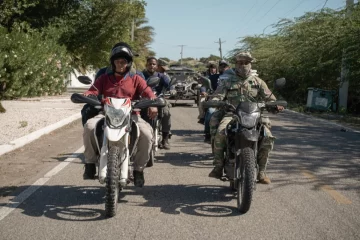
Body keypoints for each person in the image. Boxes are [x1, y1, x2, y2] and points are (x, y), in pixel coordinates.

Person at [82, 42, 157, 188]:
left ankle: (138, 170)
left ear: (128, 63)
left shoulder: (136, 79)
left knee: (147, 134)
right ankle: (90, 163)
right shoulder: (104, 78)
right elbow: (92, 90)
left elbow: (148, 93)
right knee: (89, 126)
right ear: (113, 62)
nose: (120, 64)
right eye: (117, 61)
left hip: (132, 115)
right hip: (106, 114)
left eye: (123, 61)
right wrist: (87, 96)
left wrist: (153, 103)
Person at [208, 52, 284, 184]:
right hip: (232, 114)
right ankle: (218, 166)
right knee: (221, 133)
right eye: (240, 62)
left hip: (254, 115)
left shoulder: (258, 82)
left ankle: (261, 172)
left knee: (267, 136)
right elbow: (218, 95)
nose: (243, 65)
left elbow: (270, 98)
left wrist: (276, 105)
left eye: (246, 62)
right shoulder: (227, 81)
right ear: (236, 64)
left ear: (250, 64)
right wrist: (215, 101)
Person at [142, 57, 172, 150]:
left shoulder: (161, 76)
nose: (151, 66)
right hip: (144, 100)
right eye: (150, 64)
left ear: (157, 66)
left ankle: (165, 139)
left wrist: (172, 90)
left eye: (154, 64)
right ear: (146, 65)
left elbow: (170, 85)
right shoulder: (141, 75)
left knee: (166, 112)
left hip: (159, 99)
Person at [203, 60, 231, 143]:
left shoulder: (234, 77)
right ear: (219, 68)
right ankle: (208, 134)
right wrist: (203, 91)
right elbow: (205, 84)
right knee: (210, 112)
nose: (223, 68)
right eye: (221, 66)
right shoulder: (214, 77)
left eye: (225, 66)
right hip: (217, 100)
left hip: (232, 102)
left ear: (229, 67)